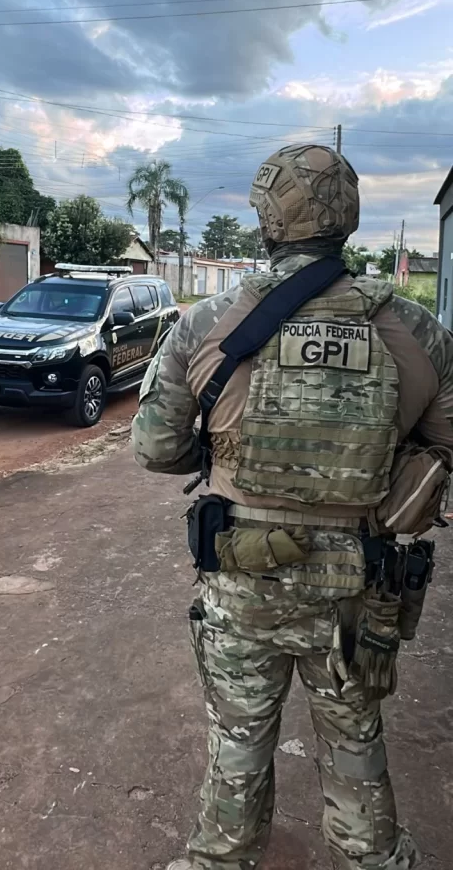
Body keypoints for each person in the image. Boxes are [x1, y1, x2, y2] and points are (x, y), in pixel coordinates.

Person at [131, 143, 453, 870]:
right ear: (348, 220)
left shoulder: (204, 322)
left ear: (270, 218)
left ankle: (220, 860)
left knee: (238, 740)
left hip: (241, 585)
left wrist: (221, 458)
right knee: (353, 740)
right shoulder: (419, 332)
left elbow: (154, 448)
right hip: (357, 587)